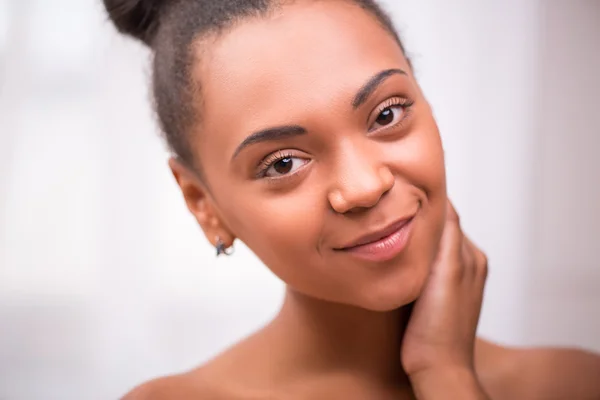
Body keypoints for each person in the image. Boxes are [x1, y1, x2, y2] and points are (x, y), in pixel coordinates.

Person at [102, 0, 600, 398]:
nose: (364, 187)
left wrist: (446, 375)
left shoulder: (573, 384)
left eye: (386, 115)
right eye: (283, 163)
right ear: (202, 203)